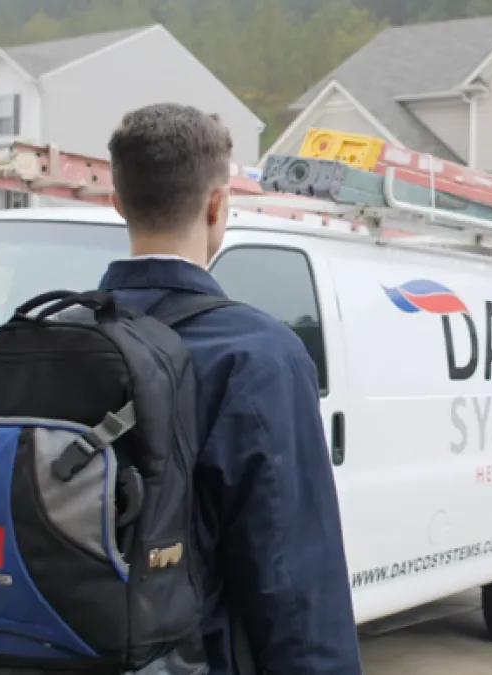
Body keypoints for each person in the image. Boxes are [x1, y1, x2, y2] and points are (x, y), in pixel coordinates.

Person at [101, 103, 363, 674]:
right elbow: (296, 589)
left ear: (118, 203)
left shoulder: (47, 340)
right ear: (218, 205)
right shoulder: (256, 355)